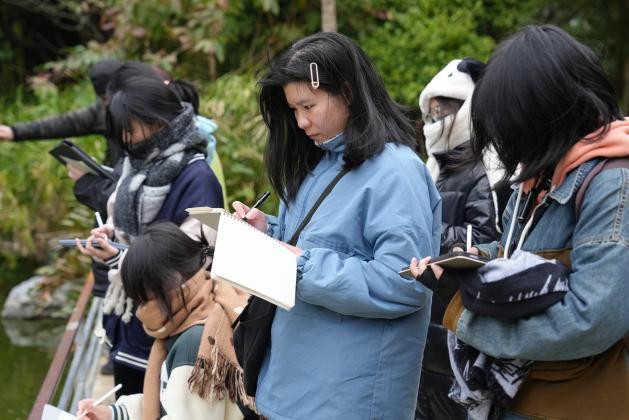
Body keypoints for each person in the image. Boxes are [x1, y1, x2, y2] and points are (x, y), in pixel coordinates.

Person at [409, 25, 629, 419]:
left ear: (544, 112)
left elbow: (588, 321)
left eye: (512, 125)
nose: (507, 141)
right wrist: (465, 261)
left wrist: (462, 313)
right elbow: (510, 251)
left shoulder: (613, 183)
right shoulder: (541, 174)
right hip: (522, 398)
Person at [231, 32, 441, 419]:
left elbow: (406, 283)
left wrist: (300, 265)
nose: (300, 121)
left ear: (347, 91)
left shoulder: (396, 171)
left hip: (348, 400)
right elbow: (321, 247)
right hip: (294, 389)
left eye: (308, 106)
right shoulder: (319, 162)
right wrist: (268, 234)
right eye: (293, 109)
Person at [76, 74, 224, 398]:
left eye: (129, 130)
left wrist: (119, 257)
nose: (126, 139)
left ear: (156, 120)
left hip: (169, 331)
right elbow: (127, 228)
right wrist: (111, 235)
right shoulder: (137, 164)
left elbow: (194, 265)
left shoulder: (199, 178)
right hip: (130, 322)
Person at [77, 222, 249, 420]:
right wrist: (111, 414)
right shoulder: (209, 308)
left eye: (142, 297)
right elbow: (171, 401)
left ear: (167, 283)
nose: (141, 309)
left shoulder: (194, 345)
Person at [415, 58, 501, 420]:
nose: (435, 120)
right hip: (429, 316)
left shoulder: (485, 168)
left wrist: (424, 230)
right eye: (431, 112)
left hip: (458, 320)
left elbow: (486, 239)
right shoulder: (435, 167)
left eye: (444, 110)